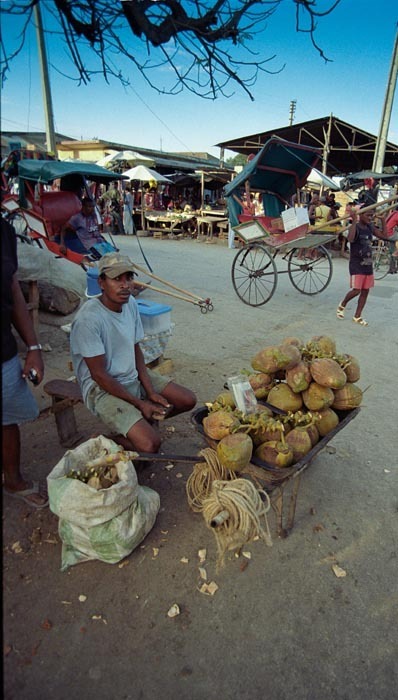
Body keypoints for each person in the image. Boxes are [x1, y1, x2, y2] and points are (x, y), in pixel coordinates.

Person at [70, 252, 197, 454]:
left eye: (128, 278)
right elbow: (99, 375)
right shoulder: (89, 319)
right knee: (150, 445)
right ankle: (104, 440)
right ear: (101, 282)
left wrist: (151, 392)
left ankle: (137, 426)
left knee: (187, 399)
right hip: (101, 389)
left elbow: (135, 348)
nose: (125, 285)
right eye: (116, 279)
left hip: (132, 376)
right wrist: (140, 403)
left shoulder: (129, 305)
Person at [1, 218, 47, 508]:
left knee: (7, 418)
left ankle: (14, 480)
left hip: (2, 351)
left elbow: (14, 289)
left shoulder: (3, 232)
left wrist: (33, 347)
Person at [336, 207, 387, 326]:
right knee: (356, 290)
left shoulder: (370, 227)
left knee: (365, 291)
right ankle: (343, 304)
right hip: (356, 264)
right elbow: (350, 239)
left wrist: (383, 220)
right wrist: (354, 221)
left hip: (368, 263)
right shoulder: (356, 227)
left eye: (371, 215)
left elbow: (384, 236)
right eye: (368, 215)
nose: (370, 218)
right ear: (361, 215)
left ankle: (357, 316)